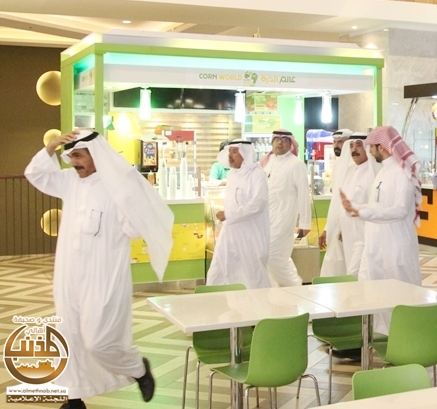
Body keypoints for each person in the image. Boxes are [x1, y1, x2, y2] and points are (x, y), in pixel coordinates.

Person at [25, 130, 174, 409]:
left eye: (78, 156)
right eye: (71, 157)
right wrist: (52, 146)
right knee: (69, 335)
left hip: (103, 276)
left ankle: (138, 368)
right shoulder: (70, 181)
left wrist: (133, 197)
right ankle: (74, 399)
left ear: (96, 155)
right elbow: (36, 175)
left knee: (98, 340)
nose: (74, 163)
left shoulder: (118, 187)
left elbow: (135, 227)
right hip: (69, 274)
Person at [340, 125, 422, 286]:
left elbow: (401, 210)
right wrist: (355, 207)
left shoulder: (401, 173)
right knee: (371, 291)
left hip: (395, 245)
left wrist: (365, 213)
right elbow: (376, 205)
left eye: (371, 146)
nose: (370, 151)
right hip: (375, 245)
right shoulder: (383, 172)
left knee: (400, 293)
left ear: (382, 147)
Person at [206, 139, 271, 289]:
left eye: (234, 152)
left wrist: (229, 215)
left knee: (252, 276)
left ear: (245, 154)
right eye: (229, 152)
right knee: (219, 269)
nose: (230, 156)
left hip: (250, 235)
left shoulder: (257, 175)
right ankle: (215, 300)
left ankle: (258, 304)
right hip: (229, 232)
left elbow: (257, 205)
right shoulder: (232, 174)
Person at [320, 132, 379, 277]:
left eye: (358, 145)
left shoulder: (374, 173)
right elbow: (338, 204)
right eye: (351, 146)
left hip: (364, 234)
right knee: (350, 271)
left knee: (356, 273)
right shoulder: (349, 172)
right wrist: (334, 227)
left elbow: (374, 206)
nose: (354, 149)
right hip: (347, 234)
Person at [260, 129, 311, 286]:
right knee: (266, 256)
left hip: (284, 219)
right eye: (276, 139)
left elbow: (304, 194)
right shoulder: (269, 162)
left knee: (274, 255)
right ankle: (275, 292)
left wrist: (305, 224)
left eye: (284, 139)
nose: (280, 143)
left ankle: (295, 287)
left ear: (291, 143)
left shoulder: (296, 165)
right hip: (266, 220)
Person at [318, 129, 353, 260]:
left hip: (349, 227)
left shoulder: (354, 165)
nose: (336, 145)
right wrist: (327, 228)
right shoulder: (338, 164)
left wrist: (346, 226)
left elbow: (353, 201)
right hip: (335, 225)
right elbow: (335, 201)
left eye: (340, 142)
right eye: (335, 142)